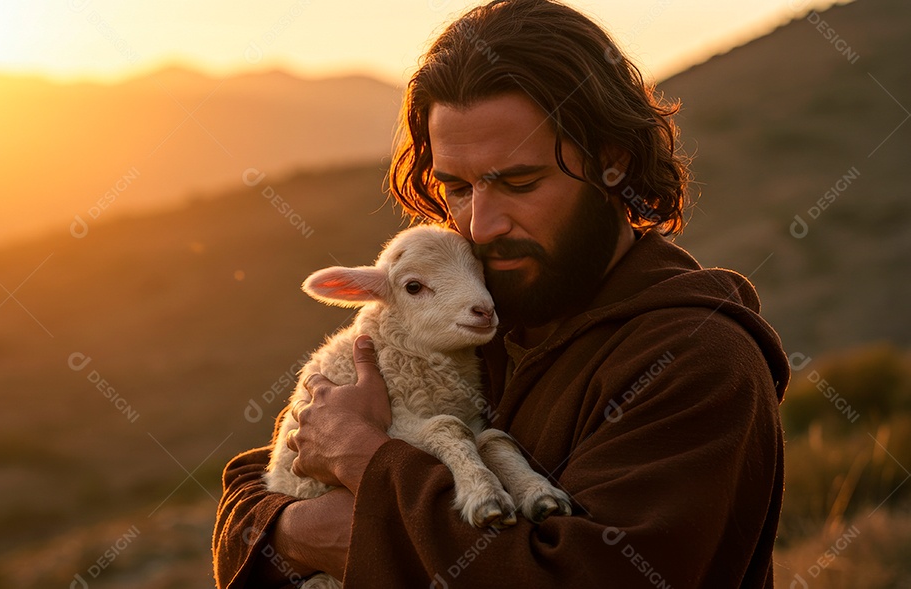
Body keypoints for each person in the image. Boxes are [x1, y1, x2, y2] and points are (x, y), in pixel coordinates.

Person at [213, 0, 789, 587]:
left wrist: (361, 465)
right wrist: (294, 531)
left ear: (612, 165)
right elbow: (249, 492)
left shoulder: (697, 359)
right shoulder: (456, 323)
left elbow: (575, 578)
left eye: (518, 182)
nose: (481, 225)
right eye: (458, 188)